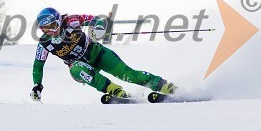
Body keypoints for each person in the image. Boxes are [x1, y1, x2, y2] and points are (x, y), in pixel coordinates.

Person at [30, 7, 177, 102]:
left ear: (59, 21)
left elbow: (95, 19)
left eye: (53, 26)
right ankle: (115, 91)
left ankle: (165, 86)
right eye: (44, 29)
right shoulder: (44, 43)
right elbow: (38, 66)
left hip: (97, 53)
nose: (50, 31)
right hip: (80, 67)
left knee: (129, 74)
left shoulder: (71, 21)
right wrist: (37, 86)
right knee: (75, 68)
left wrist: (99, 27)